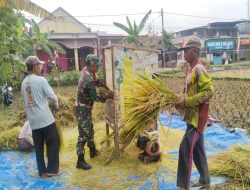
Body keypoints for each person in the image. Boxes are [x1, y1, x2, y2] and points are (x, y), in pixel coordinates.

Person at [176, 38, 214, 190]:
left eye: (185, 51)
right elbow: (188, 90)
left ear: (194, 52)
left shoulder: (199, 69)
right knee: (198, 150)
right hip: (190, 116)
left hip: (197, 119)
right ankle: (205, 180)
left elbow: (208, 91)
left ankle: (183, 186)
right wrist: (180, 98)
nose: (183, 53)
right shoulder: (190, 69)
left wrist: (186, 102)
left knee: (185, 149)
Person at [21, 56, 60, 178]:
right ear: (34, 66)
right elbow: (52, 97)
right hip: (46, 119)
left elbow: (25, 102)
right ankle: (52, 170)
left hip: (33, 121)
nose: (41, 66)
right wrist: (56, 106)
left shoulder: (23, 83)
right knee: (53, 143)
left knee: (38, 148)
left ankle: (42, 172)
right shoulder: (41, 80)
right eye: (40, 65)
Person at [75, 54, 113, 170]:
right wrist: (108, 96)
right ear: (91, 66)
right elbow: (96, 97)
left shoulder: (86, 71)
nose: (98, 68)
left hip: (85, 108)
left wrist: (101, 84)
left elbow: (96, 81)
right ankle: (80, 161)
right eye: (96, 66)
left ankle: (92, 151)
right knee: (83, 135)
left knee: (90, 129)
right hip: (83, 109)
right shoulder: (88, 80)